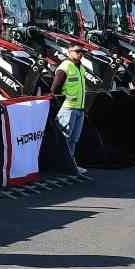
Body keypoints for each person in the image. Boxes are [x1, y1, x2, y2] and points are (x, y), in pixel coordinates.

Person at [49, 46, 89, 175]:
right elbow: (54, 89)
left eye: (82, 52)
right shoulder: (65, 67)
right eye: (77, 51)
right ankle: (62, 166)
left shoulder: (81, 68)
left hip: (80, 108)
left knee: (74, 139)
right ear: (69, 52)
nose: (80, 54)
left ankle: (71, 165)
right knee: (65, 139)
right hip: (68, 108)